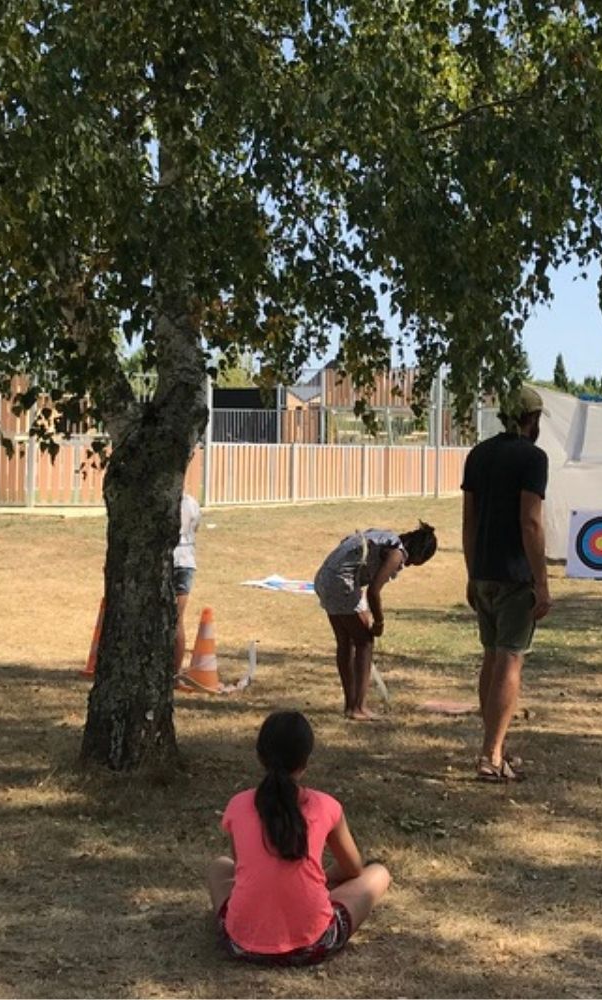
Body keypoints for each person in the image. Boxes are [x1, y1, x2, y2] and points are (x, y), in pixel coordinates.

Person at [206, 711, 392, 967]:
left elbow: (241, 870)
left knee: (219, 866)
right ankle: (307, 894)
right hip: (313, 943)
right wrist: (321, 878)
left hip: (241, 944)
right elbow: (353, 868)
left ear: (260, 757)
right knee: (377, 873)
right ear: (305, 761)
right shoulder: (326, 806)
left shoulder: (238, 805)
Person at [461, 385, 551, 783]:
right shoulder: (533, 458)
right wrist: (542, 581)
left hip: (482, 572)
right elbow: (530, 521)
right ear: (532, 419)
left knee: (492, 658)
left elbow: (469, 520)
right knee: (510, 658)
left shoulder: (478, 454)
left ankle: (491, 745)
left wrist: (470, 571)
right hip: (515, 575)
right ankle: (491, 755)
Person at [314, 523, 440, 720]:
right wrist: (379, 622)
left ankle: (350, 705)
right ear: (418, 553)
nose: (407, 566)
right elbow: (374, 591)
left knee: (345, 641)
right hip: (341, 582)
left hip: (324, 577)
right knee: (365, 641)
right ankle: (358, 707)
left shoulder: (381, 536)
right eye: (415, 562)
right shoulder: (396, 552)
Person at [175, 491, 201, 671]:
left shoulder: (161, 501)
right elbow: (195, 527)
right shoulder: (192, 503)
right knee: (177, 619)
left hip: (169, 559)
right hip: (186, 562)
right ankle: (174, 672)